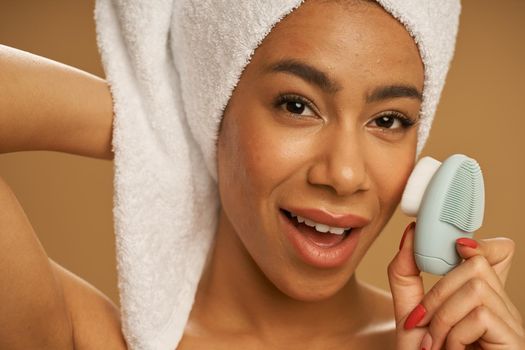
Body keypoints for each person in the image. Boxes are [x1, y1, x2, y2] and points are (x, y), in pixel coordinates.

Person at [0, 0, 523, 349]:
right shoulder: (82, 337)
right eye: (296, 105)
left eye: (388, 120)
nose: (343, 175)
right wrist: (160, 134)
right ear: (214, 109)